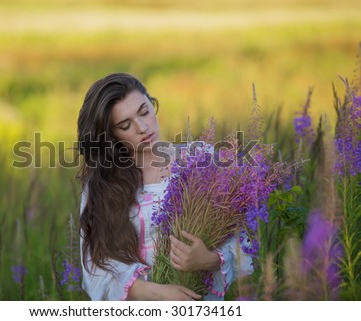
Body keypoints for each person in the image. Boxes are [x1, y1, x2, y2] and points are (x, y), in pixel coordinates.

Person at [77, 73, 253, 301]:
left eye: (144, 111)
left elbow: (248, 240)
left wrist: (208, 259)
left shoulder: (201, 160)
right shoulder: (102, 186)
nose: (142, 127)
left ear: (153, 104)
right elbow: (97, 274)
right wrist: (161, 295)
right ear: (111, 136)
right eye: (125, 125)